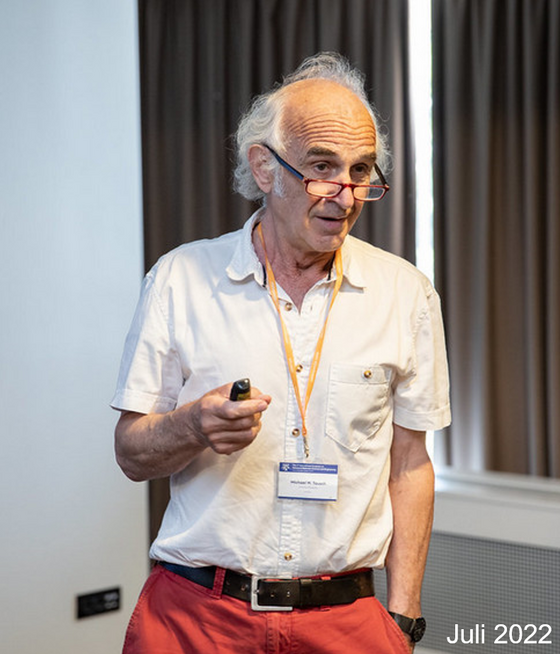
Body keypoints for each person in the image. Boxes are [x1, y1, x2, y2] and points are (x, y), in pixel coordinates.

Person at [112, 52, 451, 654]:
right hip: (196, 618)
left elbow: (410, 462)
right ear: (264, 168)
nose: (345, 195)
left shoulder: (407, 293)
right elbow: (131, 454)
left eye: (360, 171)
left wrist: (404, 615)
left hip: (345, 621)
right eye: (322, 168)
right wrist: (193, 425)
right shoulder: (179, 279)